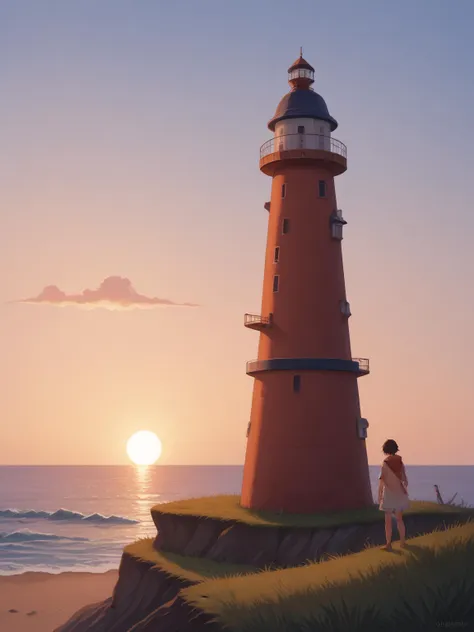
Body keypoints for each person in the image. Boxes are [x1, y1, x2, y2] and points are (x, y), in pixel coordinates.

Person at [378, 439, 409, 551]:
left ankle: (388, 544)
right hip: (400, 493)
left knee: (388, 521)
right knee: (400, 519)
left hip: (389, 494)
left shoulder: (385, 463)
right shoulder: (400, 462)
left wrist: (379, 495)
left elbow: (382, 481)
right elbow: (405, 479)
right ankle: (402, 542)